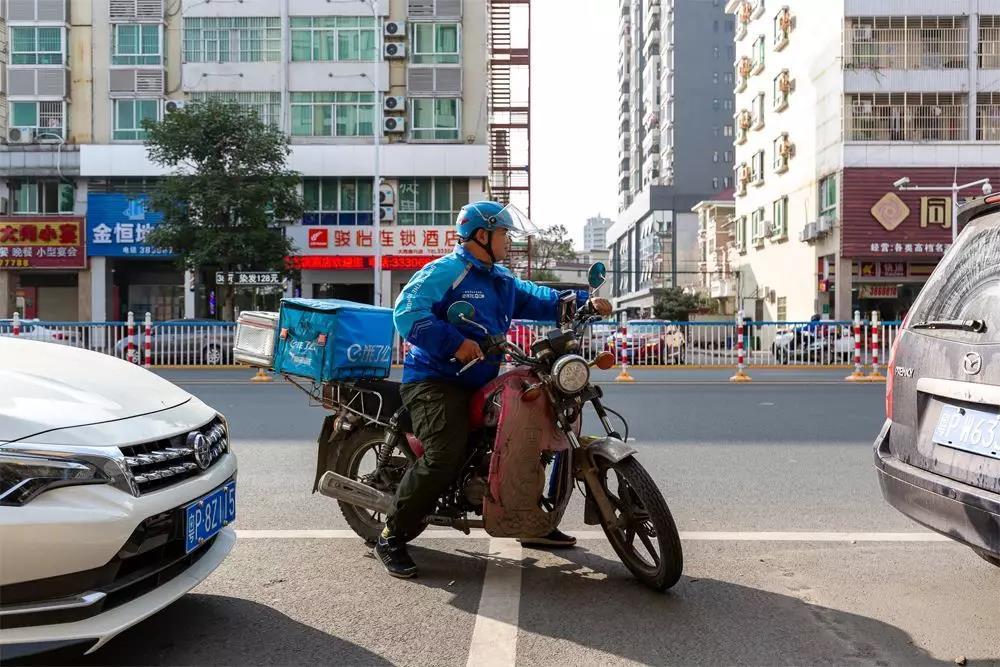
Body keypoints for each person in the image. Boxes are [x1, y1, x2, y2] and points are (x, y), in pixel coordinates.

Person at [377, 201, 613, 579]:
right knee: (444, 454)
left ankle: (529, 519)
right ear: (481, 236)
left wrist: (587, 303)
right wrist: (453, 342)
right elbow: (406, 312)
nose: (508, 241)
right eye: (503, 234)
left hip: (482, 378)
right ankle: (392, 535)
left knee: (530, 432)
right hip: (435, 380)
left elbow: (540, 299)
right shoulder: (447, 272)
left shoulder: (501, 279)